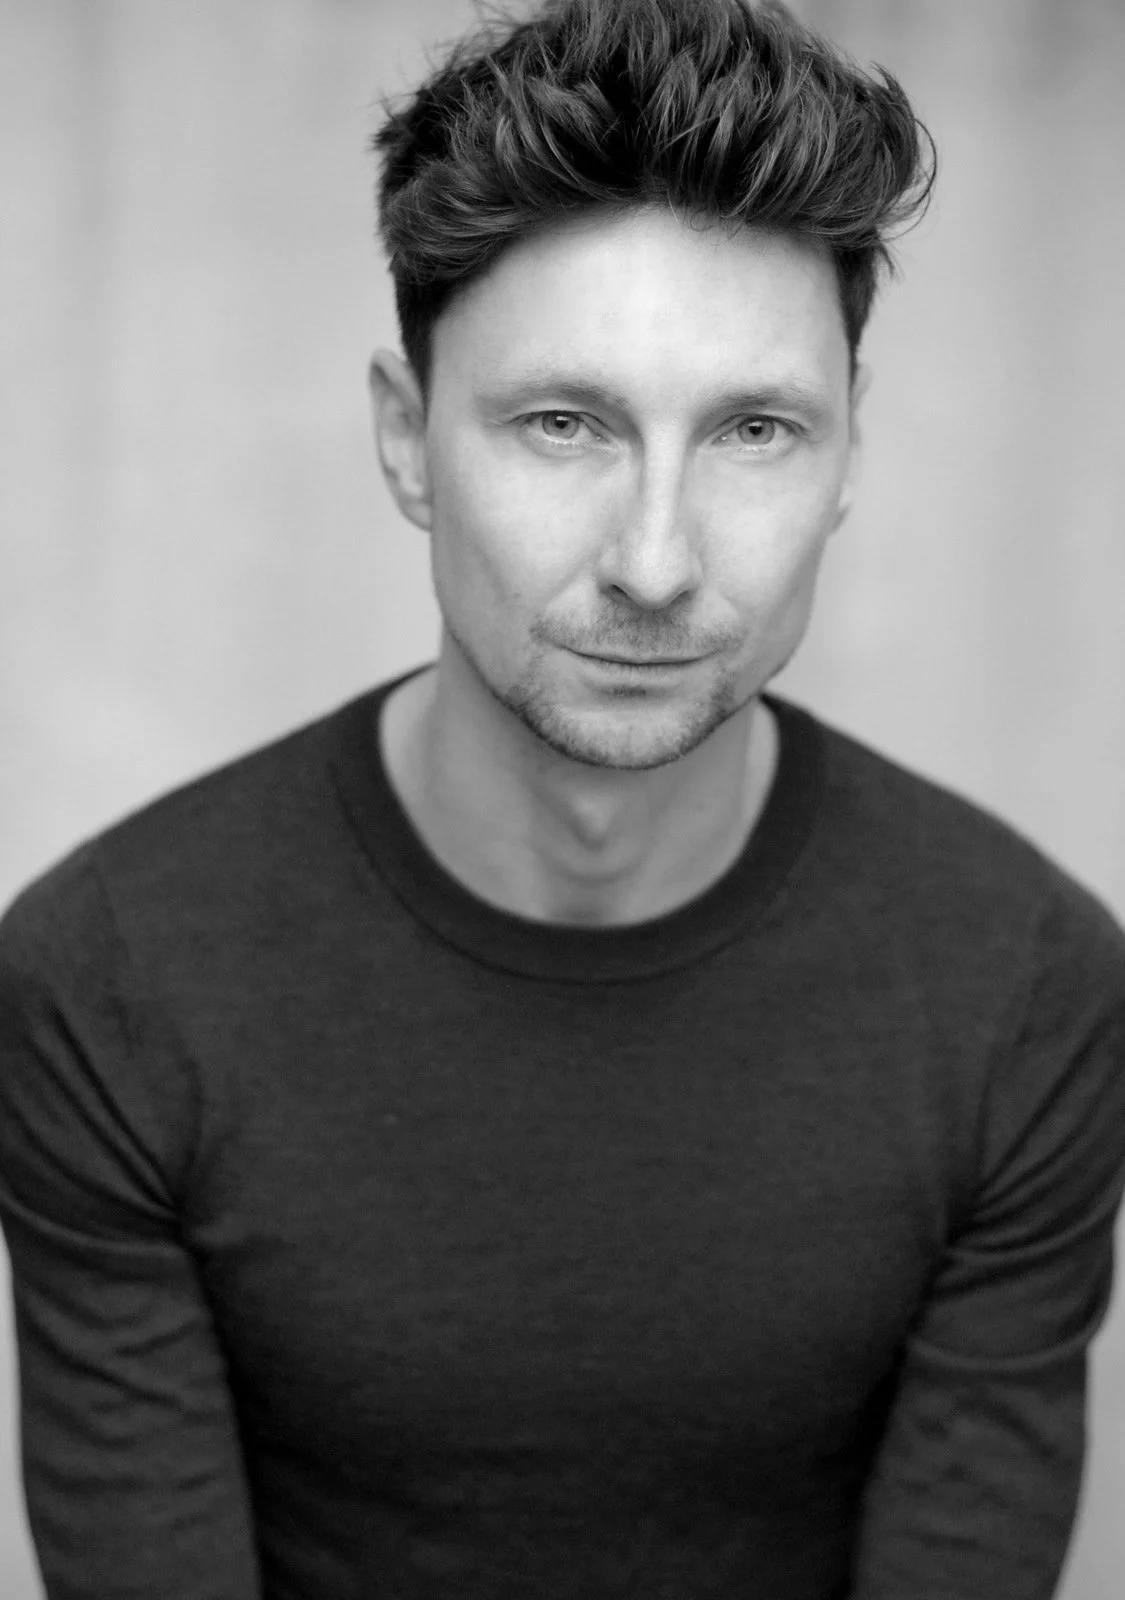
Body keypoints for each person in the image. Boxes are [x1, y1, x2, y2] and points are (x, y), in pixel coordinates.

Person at [1, 0, 1123, 1595]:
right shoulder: (112, 979)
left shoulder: (1024, 983)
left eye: (753, 430)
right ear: (406, 439)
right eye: (561, 425)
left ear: (850, 455)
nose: (656, 562)